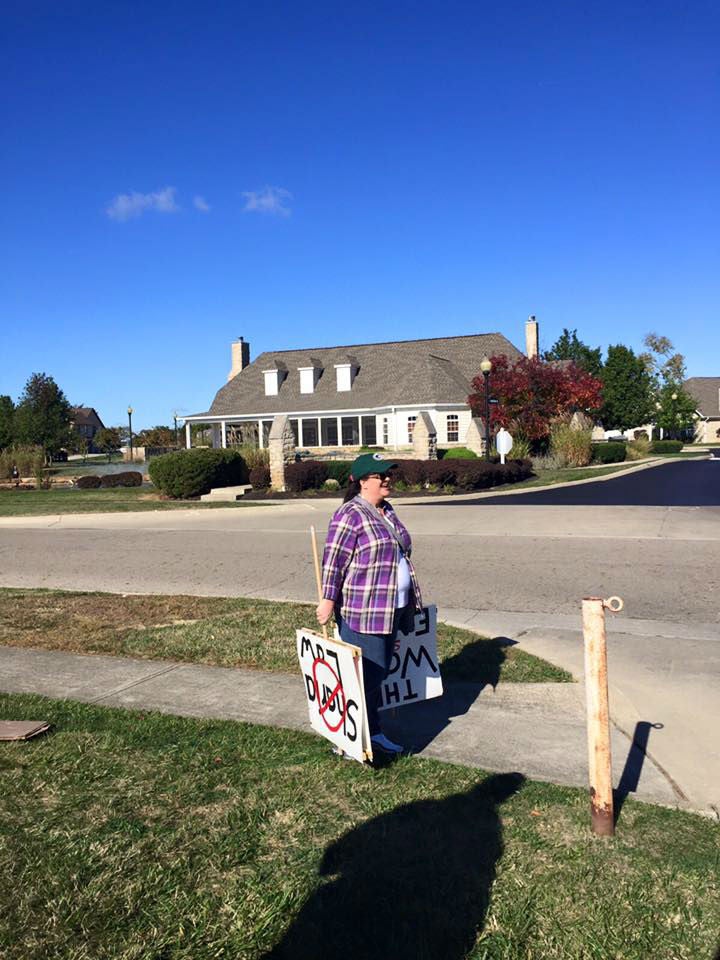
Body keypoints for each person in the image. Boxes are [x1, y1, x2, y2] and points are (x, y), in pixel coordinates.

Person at [316, 452, 422, 755]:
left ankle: (372, 731)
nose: (387, 479)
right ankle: (350, 740)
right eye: (380, 475)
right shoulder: (349, 514)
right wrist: (327, 600)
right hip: (364, 612)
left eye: (389, 474)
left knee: (380, 674)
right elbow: (333, 562)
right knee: (367, 676)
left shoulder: (386, 510)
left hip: (392, 609)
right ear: (363, 482)